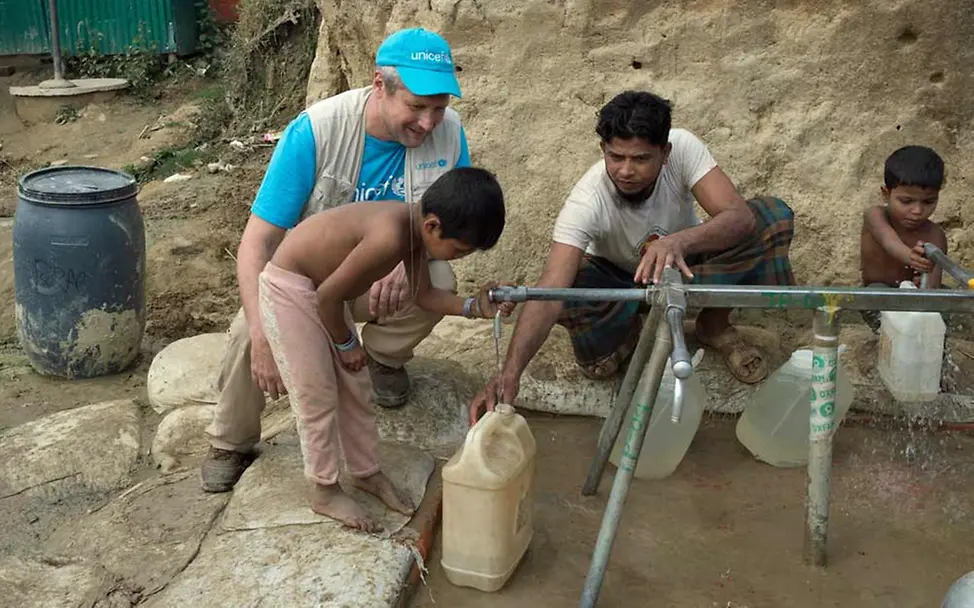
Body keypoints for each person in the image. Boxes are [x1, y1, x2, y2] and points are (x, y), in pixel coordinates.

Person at [202, 27, 474, 493]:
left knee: (439, 279)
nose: (429, 123)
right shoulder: (317, 130)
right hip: (305, 283)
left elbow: (442, 227)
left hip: (375, 279)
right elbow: (257, 243)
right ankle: (231, 440)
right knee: (253, 332)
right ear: (379, 86)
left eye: (439, 107)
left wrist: (399, 264)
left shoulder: (450, 137)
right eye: (416, 106)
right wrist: (265, 330)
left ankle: (381, 358)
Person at [468, 89, 798, 423]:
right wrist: (509, 374)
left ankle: (713, 326)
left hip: (683, 266)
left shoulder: (683, 148)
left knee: (771, 217)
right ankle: (630, 328)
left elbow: (738, 217)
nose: (625, 171)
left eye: (640, 159)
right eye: (616, 157)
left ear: (665, 152)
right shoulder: (586, 200)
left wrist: (680, 242)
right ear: (603, 150)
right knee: (574, 292)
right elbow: (549, 292)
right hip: (620, 283)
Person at [257, 167, 512, 531]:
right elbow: (328, 296)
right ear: (433, 226)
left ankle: (364, 471)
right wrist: (346, 344)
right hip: (291, 289)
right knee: (317, 393)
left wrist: (474, 306)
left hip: (323, 292)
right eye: (459, 250)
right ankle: (324, 490)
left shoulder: (412, 229)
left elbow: (424, 295)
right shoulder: (390, 235)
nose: (458, 258)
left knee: (357, 386)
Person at [859, 145, 948, 331]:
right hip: (880, 290)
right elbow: (888, 241)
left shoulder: (935, 235)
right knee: (874, 296)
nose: (917, 211)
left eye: (928, 202)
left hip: (913, 297)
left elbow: (932, 285)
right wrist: (911, 257)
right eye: (906, 201)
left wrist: (924, 284)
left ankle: (936, 349)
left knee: (945, 302)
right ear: (886, 193)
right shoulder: (875, 216)